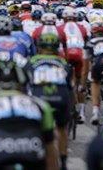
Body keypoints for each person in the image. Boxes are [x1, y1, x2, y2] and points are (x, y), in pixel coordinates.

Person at [27, 33, 74, 170]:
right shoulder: (63, 62)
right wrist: (73, 105)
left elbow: (25, 85)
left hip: (39, 99)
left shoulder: (32, 62)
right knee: (61, 128)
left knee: (35, 126)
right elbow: (70, 88)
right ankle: (63, 161)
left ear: (39, 47)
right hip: (60, 97)